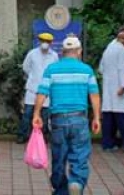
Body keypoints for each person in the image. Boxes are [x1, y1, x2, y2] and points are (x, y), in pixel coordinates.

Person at [32, 36, 101, 195]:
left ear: (62, 52)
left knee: (58, 157)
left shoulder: (51, 69)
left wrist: (36, 114)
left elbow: (42, 93)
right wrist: (96, 117)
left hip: (58, 119)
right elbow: (94, 95)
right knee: (80, 155)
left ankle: (61, 189)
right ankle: (76, 182)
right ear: (79, 51)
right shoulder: (87, 70)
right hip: (79, 118)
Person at [17, 33, 59, 144]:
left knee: (45, 115)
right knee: (27, 114)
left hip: (46, 91)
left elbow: (55, 71)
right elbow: (25, 67)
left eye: (47, 41)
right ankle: (23, 135)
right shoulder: (32, 54)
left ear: (51, 43)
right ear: (39, 41)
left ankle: (43, 136)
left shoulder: (54, 56)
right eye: (43, 40)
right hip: (32, 89)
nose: (45, 43)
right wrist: (33, 76)